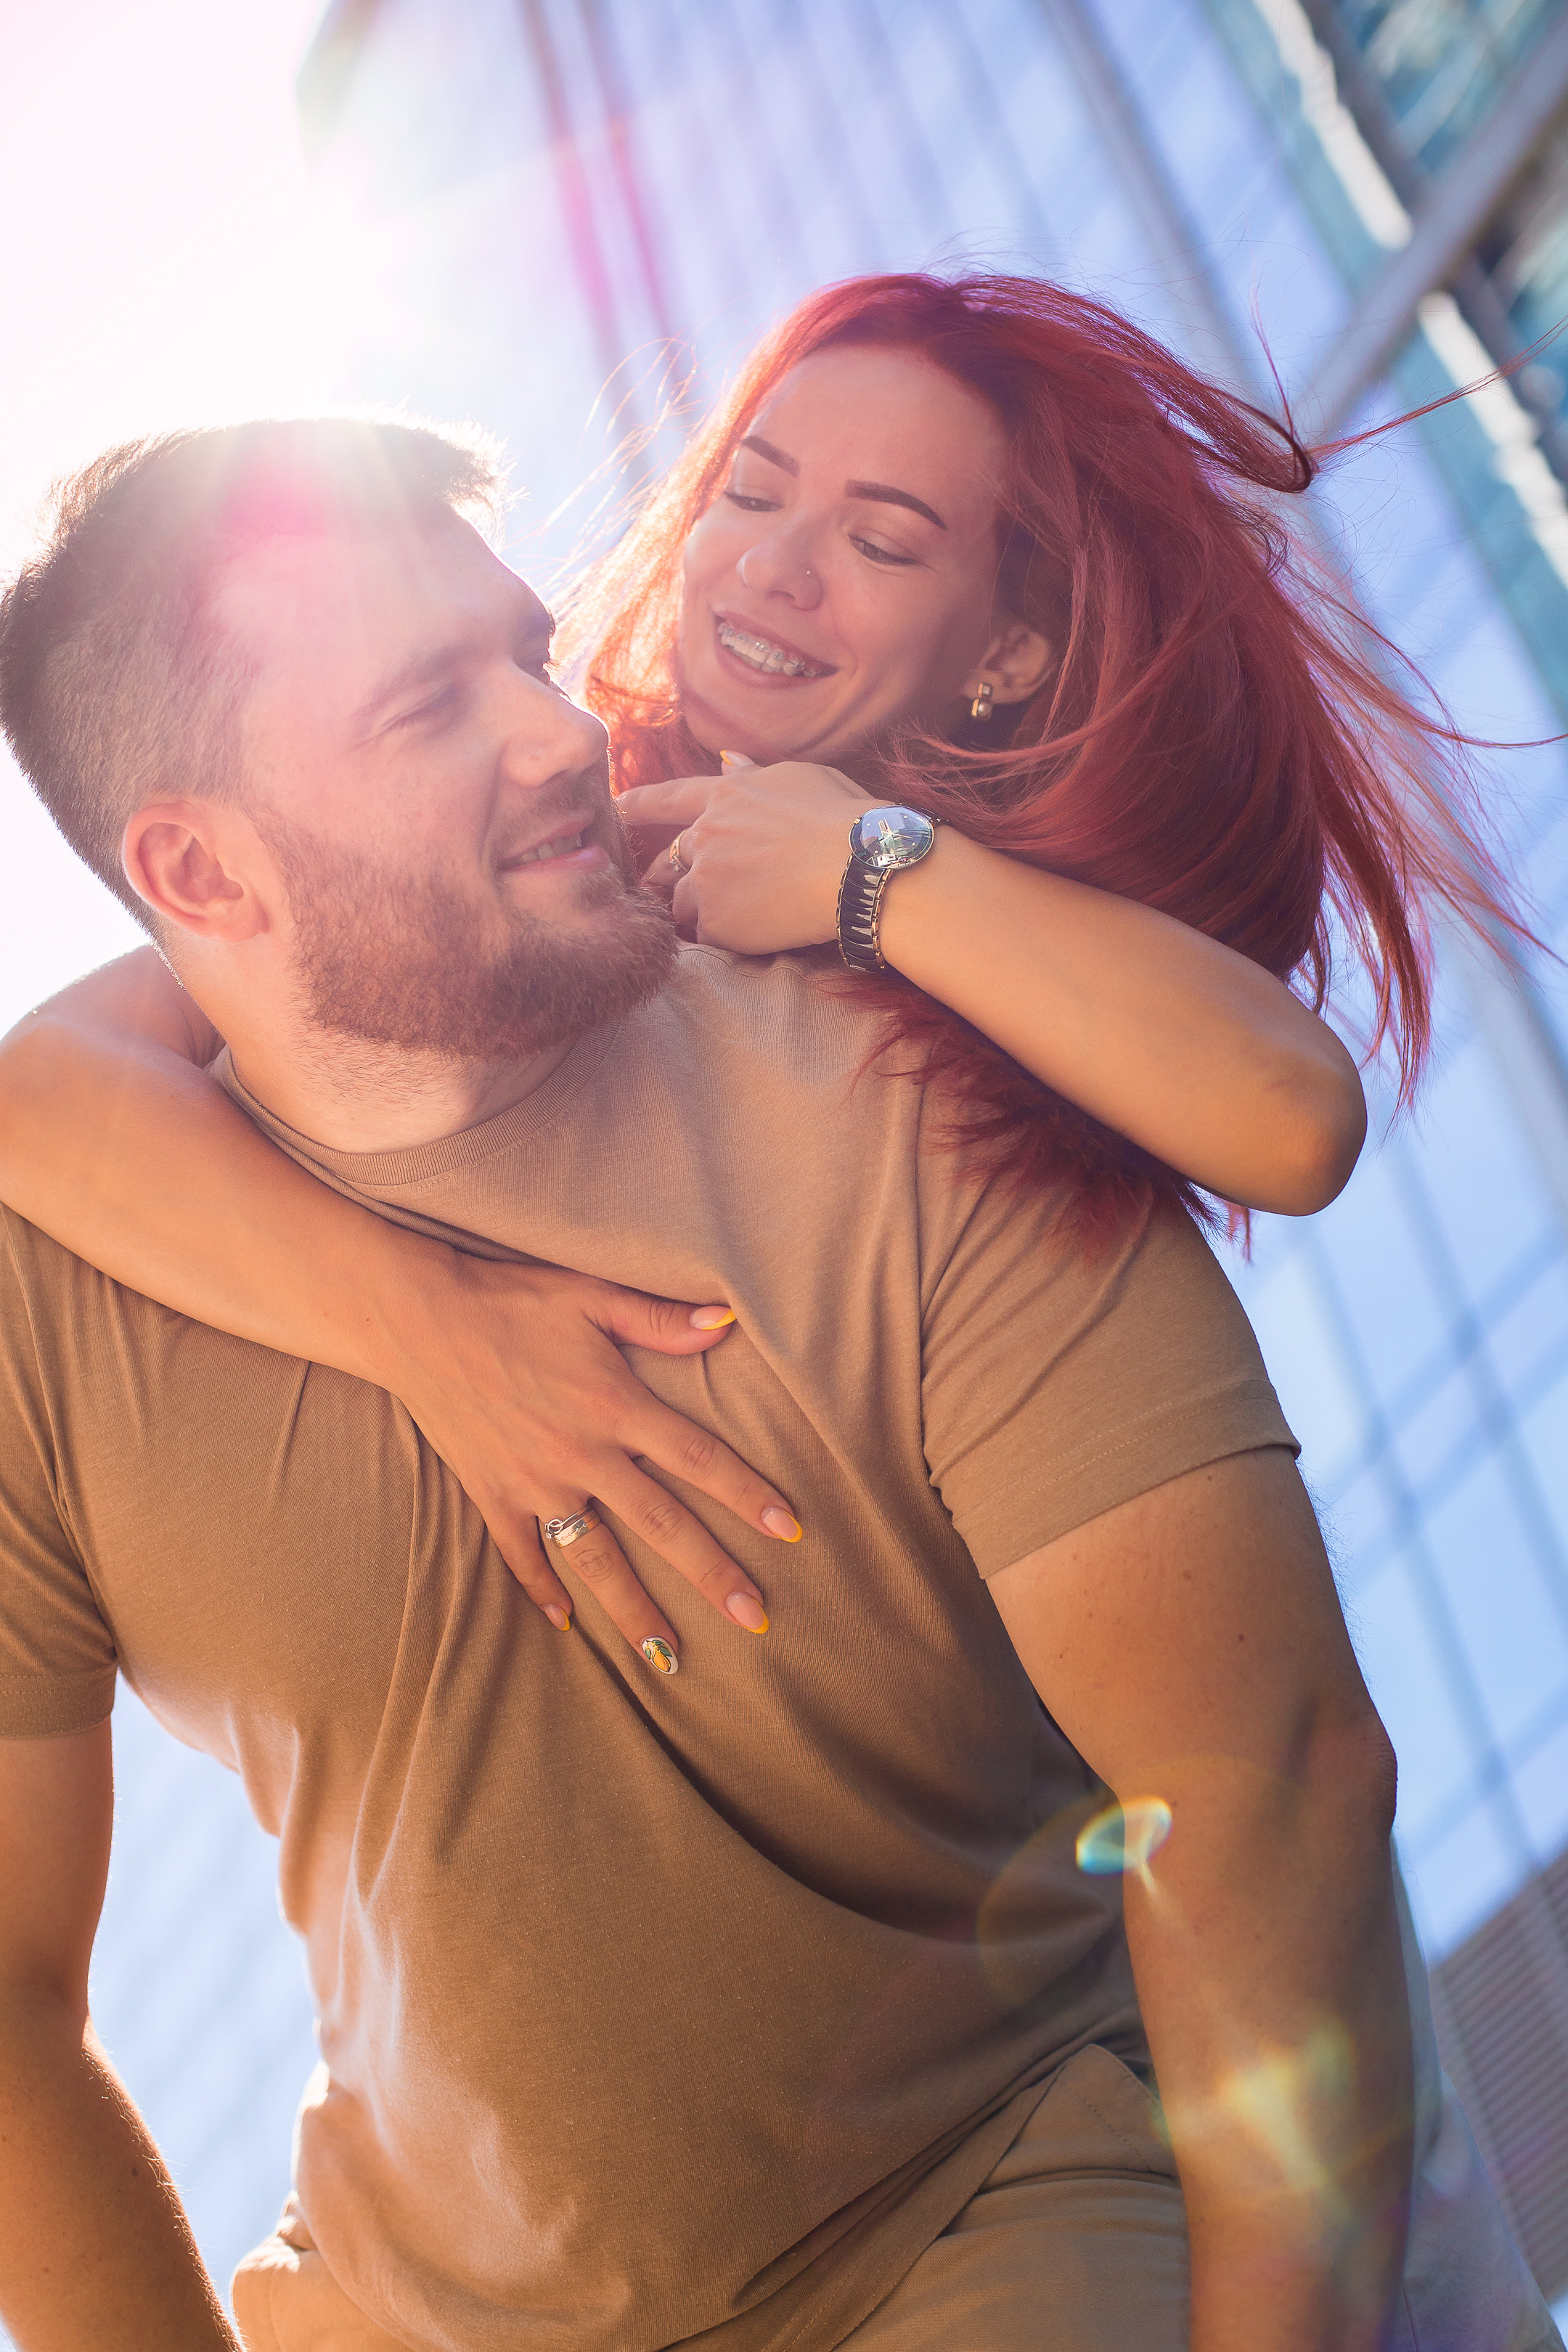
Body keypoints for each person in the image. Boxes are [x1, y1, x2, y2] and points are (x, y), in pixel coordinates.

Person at [0, 412, 1415, 2352]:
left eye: (529, 652)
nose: (556, 730)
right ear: (199, 873)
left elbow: (1267, 1784)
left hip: (978, 2218)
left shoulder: (906, 1089)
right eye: (432, 704)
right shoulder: (52, 1286)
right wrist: (419, 1319)